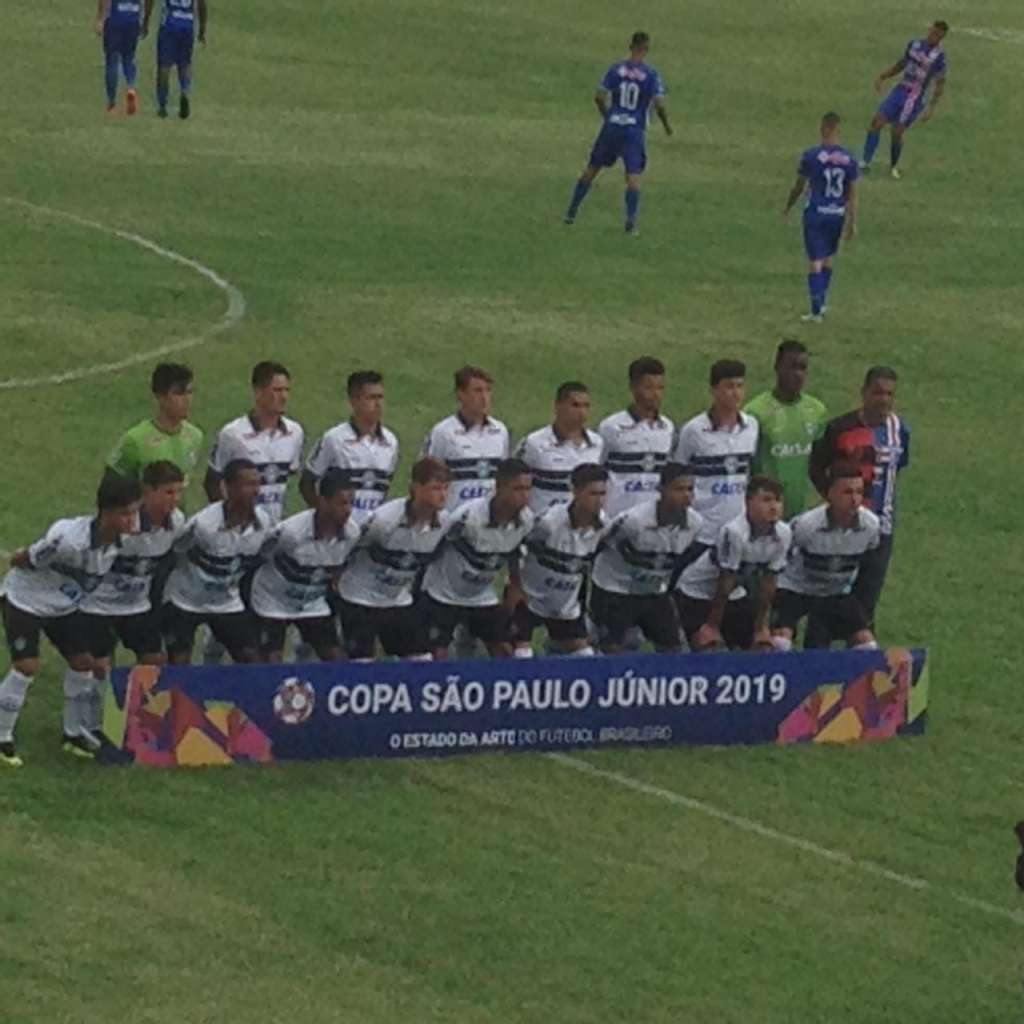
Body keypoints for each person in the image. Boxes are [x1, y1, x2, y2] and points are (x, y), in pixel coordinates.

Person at [0, 475, 142, 767]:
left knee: (84, 663)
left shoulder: (125, 540)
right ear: (105, 512)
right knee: (27, 666)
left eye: (134, 512)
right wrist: (18, 558)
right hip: (26, 600)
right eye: (125, 514)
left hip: (63, 607)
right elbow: (29, 559)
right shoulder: (67, 539)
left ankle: (73, 733)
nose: (132, 521)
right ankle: (2, 737)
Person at [809, 366, 909, 635]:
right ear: (864, 393)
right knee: (829, 595)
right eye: (877, 392)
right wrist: (836, 502)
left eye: (889, 394)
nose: (884, 400)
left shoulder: (900, 430)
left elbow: (896, 469)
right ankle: (821, 652)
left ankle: (862, 659)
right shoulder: (840, 429)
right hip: (844, 527)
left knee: (867, 599)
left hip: (881, 528)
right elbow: (817, 467)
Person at [336, 458, 451, 660]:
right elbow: (349, 547)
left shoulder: (445, 523)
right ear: (416, 488)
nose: (442, 495)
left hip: (398, 600)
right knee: (361, 665)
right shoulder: (384, 521)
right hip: (360, 599)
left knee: (421, 660)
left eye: (446, 488)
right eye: (435, 488)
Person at [421, 459, 534, 660]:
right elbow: (432, 548)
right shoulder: (467, 519)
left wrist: (516, 585)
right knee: (437, 657)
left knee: (505, 651)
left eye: (528, 489)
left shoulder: (526, 520)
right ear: (499, 487)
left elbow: (515, 550)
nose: (524, 496)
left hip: (482, 596)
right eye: (517, 489)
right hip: (444, 594)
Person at [81, 461, 186, 677]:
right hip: (99, 605)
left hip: (137, 606)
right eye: (168, 492)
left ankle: (140, 709)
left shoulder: (176, 522)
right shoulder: (124, 522)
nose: (175, 499)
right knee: (99, 669)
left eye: (179, 492)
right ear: (147, 491)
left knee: (155, 662)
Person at [162, 459, 271, 664]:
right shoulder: (204, 525)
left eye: (258, 484)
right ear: (227, 487)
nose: (255, 490)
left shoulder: (263, 522)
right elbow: (174, 551)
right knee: (180, 662)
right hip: (186, 601)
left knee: (252, 659)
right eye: (248, 484)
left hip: (226, 603)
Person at [563, 30, 673, 234]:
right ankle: (630, 222)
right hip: (633, 130)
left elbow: (599, 96)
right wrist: (666, 126)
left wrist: (608, 116)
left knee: (592, 168)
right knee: (633, 175)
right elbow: (659, 104)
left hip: (612, 126)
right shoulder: (650, 74)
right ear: (646, 49)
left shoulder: (615, 69)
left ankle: (571, 212)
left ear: (630, 46)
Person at [589, 462, 702, 654]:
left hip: (654, 591)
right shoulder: (633, 521)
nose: (686, 495)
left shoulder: (695, 523)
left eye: (690, 489)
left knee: (674, 649)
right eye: (678, 489)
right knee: (612, 649)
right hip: (615, 589)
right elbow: (599, 544)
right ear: (661, 490)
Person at [249, 469, 360, 663]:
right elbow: (259, 555)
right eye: (342, 503)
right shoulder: (291, 534)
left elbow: (340, 567)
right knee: (270, 662)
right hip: (272, 602)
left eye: (352, 503)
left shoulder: (352, 534)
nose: (349, 510)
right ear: (323, 501)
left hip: (312, 603)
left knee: (336, 658)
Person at [675, 476, 791, 652]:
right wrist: (712, 627)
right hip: (696, 593)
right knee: (707, 647)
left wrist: (761, 628)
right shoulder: (734, 531)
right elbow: (725, 582)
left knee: (762, 648)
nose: (774, 507)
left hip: (734, 594)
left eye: (778, 501)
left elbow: (769, 582)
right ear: (748, 502)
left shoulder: (784, 533)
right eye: (766, 500)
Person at [772, 465, 881, 650]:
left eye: (859, 492)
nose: (854, 500)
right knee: (780, 643)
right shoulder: (806, 526)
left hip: (835, 592)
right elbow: (780, 554)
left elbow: (869, 562)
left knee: (867, 645)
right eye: (847, 492)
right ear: (830, 494)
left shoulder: (871, 526)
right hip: (797, 589)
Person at [509, 463, 608, 656]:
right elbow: (516, 546)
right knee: (522, 656)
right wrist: (515, 587)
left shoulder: (604, 527)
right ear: (576, 492)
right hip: (531, 599)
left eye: (603, 494)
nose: (600, 501)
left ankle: (555, 648)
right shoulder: (548, 524)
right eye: (593, 494)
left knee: (585, 657)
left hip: (565, 606)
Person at [673, 359, 758, 556]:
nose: (735, 393)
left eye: (740, 386)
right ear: (713, 390)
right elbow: (679, 471)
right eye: (729, 386)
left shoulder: (751, 427)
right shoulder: (693, 430)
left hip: (738, 529)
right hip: (703, 530)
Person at [205, 361, 305, 523]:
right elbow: (212, 482)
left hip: (273, 529)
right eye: (277, 390)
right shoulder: (233, 434)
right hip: (240, 529)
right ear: (258, 392)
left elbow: (287, 478)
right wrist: (227, 518)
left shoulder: (295, 433)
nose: (284, 396)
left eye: (287, 390)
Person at [783, 112, 859, 323]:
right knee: (828, 258)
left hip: (816, 212)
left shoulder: (811, 156)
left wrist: (789, 205)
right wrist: (853, 221)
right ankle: (823, 303)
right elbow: (852, 192)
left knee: (815, 260)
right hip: (837, 213)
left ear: (823, 129)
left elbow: (800, 185)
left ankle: (816, 310)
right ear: (838, 130)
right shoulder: (849, 159)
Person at [301, 370, 399, 526]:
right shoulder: (334, 439)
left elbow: (384, 487)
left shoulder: (391, 442)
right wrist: (324, 517)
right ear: (354, 401)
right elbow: (307, 482)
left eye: (380, 397)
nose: (378, 404)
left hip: (371, 533)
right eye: (371, 398)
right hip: (339, 532)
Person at [745, 340, 828, 518]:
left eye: (802, 368)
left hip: (801, 513)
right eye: (791, 367)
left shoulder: (816, 410)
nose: (798, 374)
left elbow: (818, 463)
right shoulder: (756, 412)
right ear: (777, 367)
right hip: (765, 514)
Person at [861, 21, 949, 179]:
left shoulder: (939, 57)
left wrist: (931, 107)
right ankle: (865, 161)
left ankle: (893, 166)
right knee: (877, 122)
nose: (933, 36)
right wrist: (884, 76)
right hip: (900, 90)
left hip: (914, 97)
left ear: (941, 37)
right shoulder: (914, 44)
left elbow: (940, 83)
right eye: (932, 32)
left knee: (897, 131)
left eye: (937, 35)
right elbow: (902, 63)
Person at [420, 366, 510, 512]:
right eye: (477, 391)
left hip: (486, 522)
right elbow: (426, 477)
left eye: (488, 390)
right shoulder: (443, 433)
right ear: (460, 394)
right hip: (451, 522)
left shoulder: (500, 431)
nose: (484, 397)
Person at [107, 362, 204, 490]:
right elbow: (111, 485)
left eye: (190, 392)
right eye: (179, 393)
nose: (187, 399)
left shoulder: (195, 436)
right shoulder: (135, 440)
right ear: (161, 396)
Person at [599, 356, 675, 518]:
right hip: (618, 517)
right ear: (633, 387)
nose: (655, 394)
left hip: (653, 521)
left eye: (660, 388)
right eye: (648, 388)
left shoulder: (667, 427)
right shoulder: (611, 427)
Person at [515, 382, 604, 518]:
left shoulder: (597, 443)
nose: (582, 412)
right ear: (557, 407)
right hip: (542, 527)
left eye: (586, 406)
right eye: (575, 405)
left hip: (580, 526)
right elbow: (513, 481)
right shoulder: (534, 443)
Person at [144, 0, 207, 120]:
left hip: (169, 24)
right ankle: (185, 90)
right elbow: (202, 4)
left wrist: (145, 21)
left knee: (164, 66)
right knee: (185, 63)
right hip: (187, 24)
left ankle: (162, 105)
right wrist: (202, 30)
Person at [96, 0, 143, 115]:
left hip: (115, 19)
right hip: (133, 18)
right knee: (129, 57)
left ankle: (112, 103)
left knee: (112, 60)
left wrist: (100, 19)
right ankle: (131, 87)